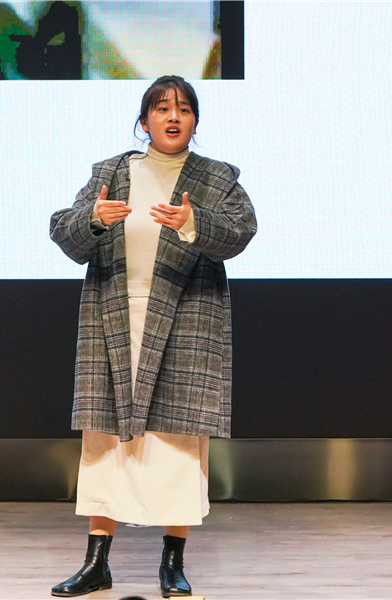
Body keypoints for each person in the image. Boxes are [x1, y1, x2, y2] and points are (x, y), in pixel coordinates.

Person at [49, 75, 256, 598]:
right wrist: (94, 219)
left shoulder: (216, 178)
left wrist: (193, 222)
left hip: (185, 316)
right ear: (144, 122)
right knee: (105, 441)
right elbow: (64, 231)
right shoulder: (111, 172)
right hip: (114, 316)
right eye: (162, 108)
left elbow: (241, 232)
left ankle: (173, 563)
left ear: (195, 121)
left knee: (176, 443)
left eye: (184, 108)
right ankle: (96, 562)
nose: (173, 116)